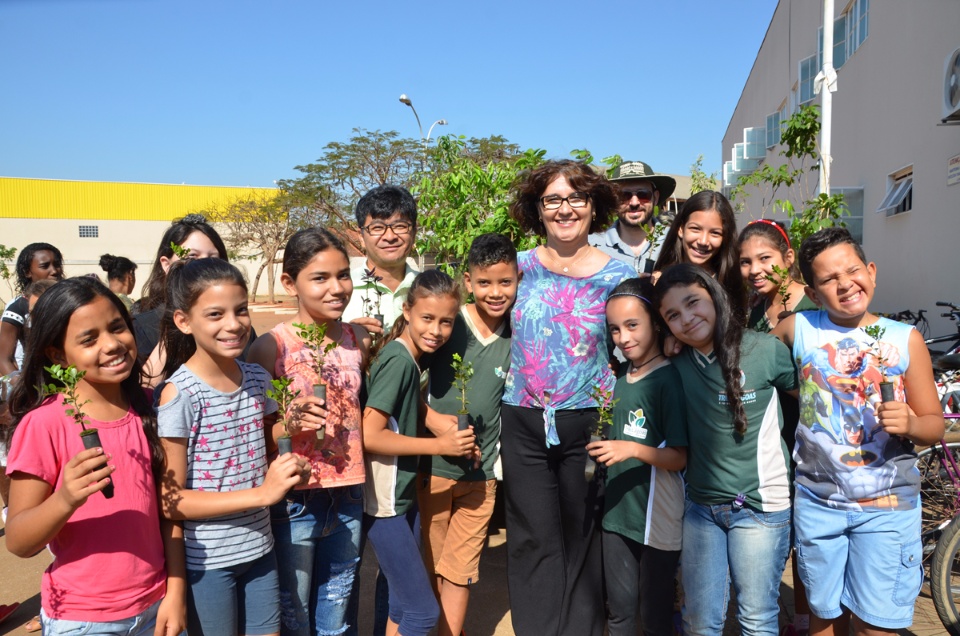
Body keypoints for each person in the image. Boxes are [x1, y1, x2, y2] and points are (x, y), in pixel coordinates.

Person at [771, 227, 943, 636]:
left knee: (876, 627)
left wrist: (913, 424)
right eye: (829, 279)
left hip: (887, 509)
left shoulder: (906, 340)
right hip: (818, 505)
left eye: (851, 271)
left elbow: (934, 424)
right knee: (823, 619)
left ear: (871, 271)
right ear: (813, 293)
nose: (845, 283)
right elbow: (753, 360)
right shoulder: (798, 329)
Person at [2, 276, 186, 636]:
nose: (113, 344)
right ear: (57, 355)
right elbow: (19, 541)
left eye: (117, 327)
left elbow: (170, 511)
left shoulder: (150, 410)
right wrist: (65, 498)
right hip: (82, 618)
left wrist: (175, 590)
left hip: (156, 606)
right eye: (89, 339)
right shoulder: (44, 424)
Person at [501, 159, 634, 636]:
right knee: (532, 534)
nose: (565, 208)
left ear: (592, 206)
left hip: (589, 419)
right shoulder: (516, 269)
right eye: (553, 199)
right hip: (523, 418)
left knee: (583, 532)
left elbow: (637, 342)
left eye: (576, 198)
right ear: (538, 209)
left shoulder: (620, 273)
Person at [156, 258, 308, 636]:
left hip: (260, 548)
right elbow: (172, 500)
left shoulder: (257, 378)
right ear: (183, 321)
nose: (233, 323)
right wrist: (263, 494)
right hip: (208, 562)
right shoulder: (180, 395)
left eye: (241, 310)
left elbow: (264, 441)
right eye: (215, 314)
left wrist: (291, 440)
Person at [652, 263, 797, 636]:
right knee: (700, 622)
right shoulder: (675, 360)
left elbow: (813, 402)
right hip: (701, 509)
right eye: (672, 315)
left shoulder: (764, 349)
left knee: (756, 617)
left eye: (692, 303)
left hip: (761, 508)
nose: (686, 318)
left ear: (714, 297)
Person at [248, 228, 371, 636]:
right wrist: (289, 423)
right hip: (294, 502)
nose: (336, 288)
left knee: (337, 617)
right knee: (295, 617)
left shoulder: (358, 339)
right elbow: (249, 435)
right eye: (320, 278)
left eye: (343, 275)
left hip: (350, 493)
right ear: (289, 283)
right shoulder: (271, 347)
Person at [362, 270, 478, 636]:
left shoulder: (409, 358)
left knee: (400, 605)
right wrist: (440, 445)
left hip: (401, 498)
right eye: (427, 318)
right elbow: (370, 434)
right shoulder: (399, 361)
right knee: (423, 612)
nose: (437, 330)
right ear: (407, 310)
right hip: (385, 504)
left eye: (446, 322)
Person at [418, 233, 517, 636]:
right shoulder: (445, 324)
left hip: (481, 480)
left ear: (518, 279)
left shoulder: (518, 332)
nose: (495, 293)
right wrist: (431, 418)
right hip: (434, 472)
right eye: (485, 282)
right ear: (468, 281)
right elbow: (402, 380)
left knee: (460, 573)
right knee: (427, 569)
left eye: (505, 282)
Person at [586, 277, 687, 636]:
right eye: (614, 329)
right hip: (617, 515)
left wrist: (629, 449)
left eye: (632, 325)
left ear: (656, 324)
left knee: (655, 615)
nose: (623, 338)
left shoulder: (669, 381)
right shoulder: (618, 375)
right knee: (619, 614)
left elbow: (679, 458)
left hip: (656, 519)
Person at [342, 185, 420, 336]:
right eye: (377, 228)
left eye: (400, 226)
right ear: (361, 237)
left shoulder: (431, 288)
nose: (389, 237)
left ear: (414, 232)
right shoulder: (340, 291)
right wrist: (345, 337)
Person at [653, 190, 746, 316]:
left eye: (715, 233)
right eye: (695, 229)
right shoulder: (659, 282)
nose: (703, 241)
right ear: (680, 229)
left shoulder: (733, 282)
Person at [589, 160, 676, 275]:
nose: (634, 203)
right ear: (613, 200)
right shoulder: (591, 246)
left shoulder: (675, 242)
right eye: (624, 195)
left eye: (643, 195)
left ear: (655, 198)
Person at [739, 219, 816, 333]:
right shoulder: (758, 309)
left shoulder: (816, 302)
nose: (754, 270)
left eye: (764, 258)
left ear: (788, 258)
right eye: (745, 262)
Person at [1, 242, 64, 374]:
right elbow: (3, 358)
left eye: (57, 265)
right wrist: (20, 386)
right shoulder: (17, 308)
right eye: (44, 266)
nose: (54, 271)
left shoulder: (71, 301)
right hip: (36, 381)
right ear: (28, 272)